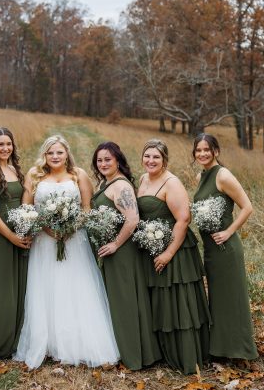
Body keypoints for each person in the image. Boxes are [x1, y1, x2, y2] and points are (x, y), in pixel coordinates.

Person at [14, 135, 119, 369]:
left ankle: (78, 344)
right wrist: (46, 228)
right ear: (45, 154)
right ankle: (48, 342)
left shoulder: (78, 174)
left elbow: (86, 207)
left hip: (73, 240)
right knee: (46, 287)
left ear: (66, 153)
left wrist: (70, 228)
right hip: (44, 241)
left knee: (76, 287)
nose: (55, 157)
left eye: (59, 152)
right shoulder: (35, 175)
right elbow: (26, 207)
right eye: (50, 152)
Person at [137, 139, 210, 374]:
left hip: (175, 249)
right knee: (160, 301)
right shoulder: (143, 179)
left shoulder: (172, 182)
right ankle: (164, 351)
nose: (151, 160)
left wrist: (168, 252)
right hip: (152, 246)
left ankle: (186, 355)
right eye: (147, 156)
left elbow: (183, 219)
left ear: (165, 159)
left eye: (156, 157)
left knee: (178, 301)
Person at [91, 142, 161, 370]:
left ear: (118, 160)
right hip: (112, 251)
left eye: (108, 159)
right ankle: (123, 348)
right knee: (118, 300)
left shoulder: (121, 186)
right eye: (99, 160)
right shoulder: (106, 182)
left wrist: (114, 244)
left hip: (122, 252)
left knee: (125, 301)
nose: (103, 164)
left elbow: (132, 220)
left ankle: (134, 354)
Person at [192, 133, 258, 360]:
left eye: (206, 150)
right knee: (219, 300)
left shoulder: (223, 175)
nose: (202, 154)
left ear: (216, 151)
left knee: (233, 299)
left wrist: (229, 231)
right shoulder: (202, 175)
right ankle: (221, 349)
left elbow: (247, 207)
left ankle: (241, 350)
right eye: (198, 150)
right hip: (211, 250)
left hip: (226, 249)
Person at [0, 127, 30, 357]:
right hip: (1, 236)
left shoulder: (13, 168)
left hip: (19, 232)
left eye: (8, 144)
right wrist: (10, 236)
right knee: (2, 288)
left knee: (16, 286)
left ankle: (14, 337)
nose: (5, 148)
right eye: (0, 144)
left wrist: (25, 227)